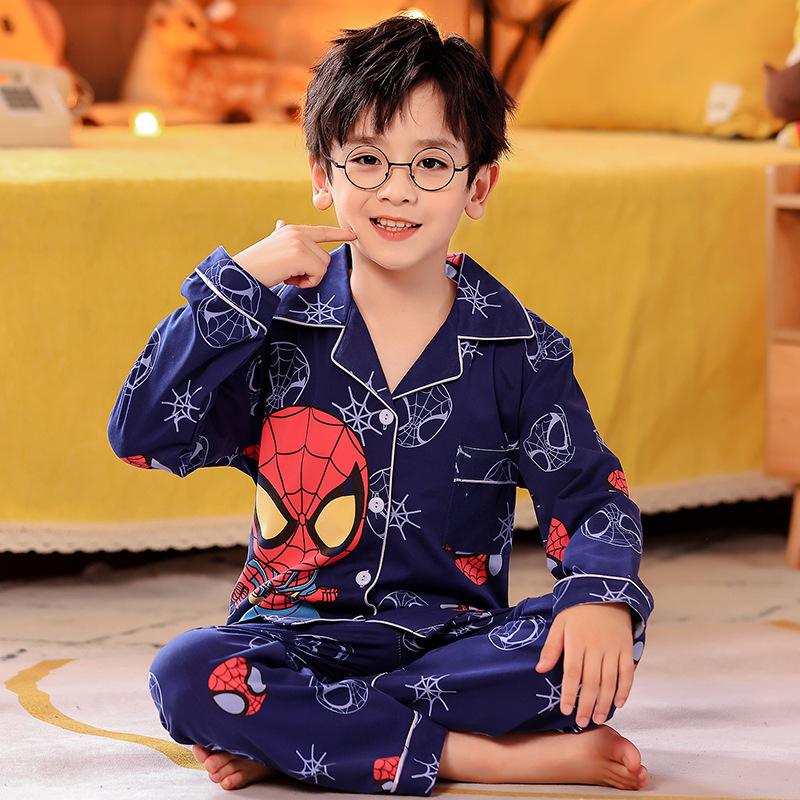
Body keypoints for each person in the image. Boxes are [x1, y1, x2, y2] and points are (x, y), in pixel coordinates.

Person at [108, 14, 652, 796]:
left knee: (590, 647)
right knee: (188, 674)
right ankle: (473, 757)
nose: (397, 189)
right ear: (321, 175)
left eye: (431, 163)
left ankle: (296, 735)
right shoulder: (271, 326)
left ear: (478, 186)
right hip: (291, 638)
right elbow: (143, 434)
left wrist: (600, 598)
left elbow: (591, 499)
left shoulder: (524, 351)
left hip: (450, 647)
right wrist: (239, 282)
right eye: (366, 159)